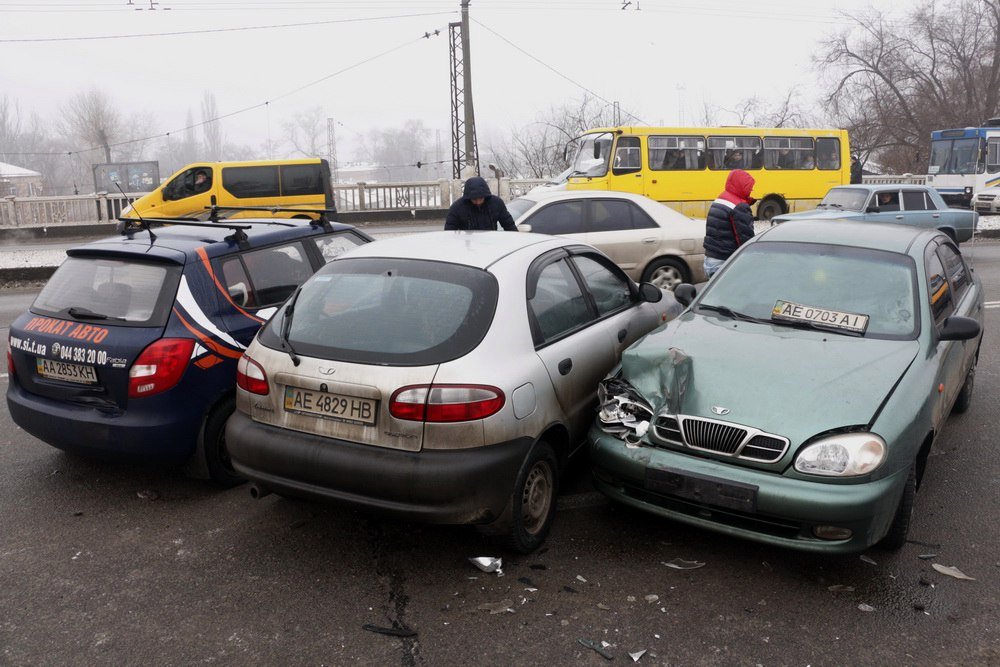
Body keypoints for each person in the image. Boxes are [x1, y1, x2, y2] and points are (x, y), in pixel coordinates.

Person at [703, 169, 756, 278]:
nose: (752, 189)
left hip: (710, 259)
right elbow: (745, 239)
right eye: (749, 186)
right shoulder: (739, 206)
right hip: (724, 262)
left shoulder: (720, 198)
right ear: (742, 186)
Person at [444, 176, 516, 231]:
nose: (478, 202)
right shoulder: (457, 207)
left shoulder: (496, 203)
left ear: (485, 196)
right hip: (468, 245)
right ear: (468, 198)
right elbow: (449, 232)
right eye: (474, 199)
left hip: (491, 243)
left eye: (481, 199)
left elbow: (509, 225)